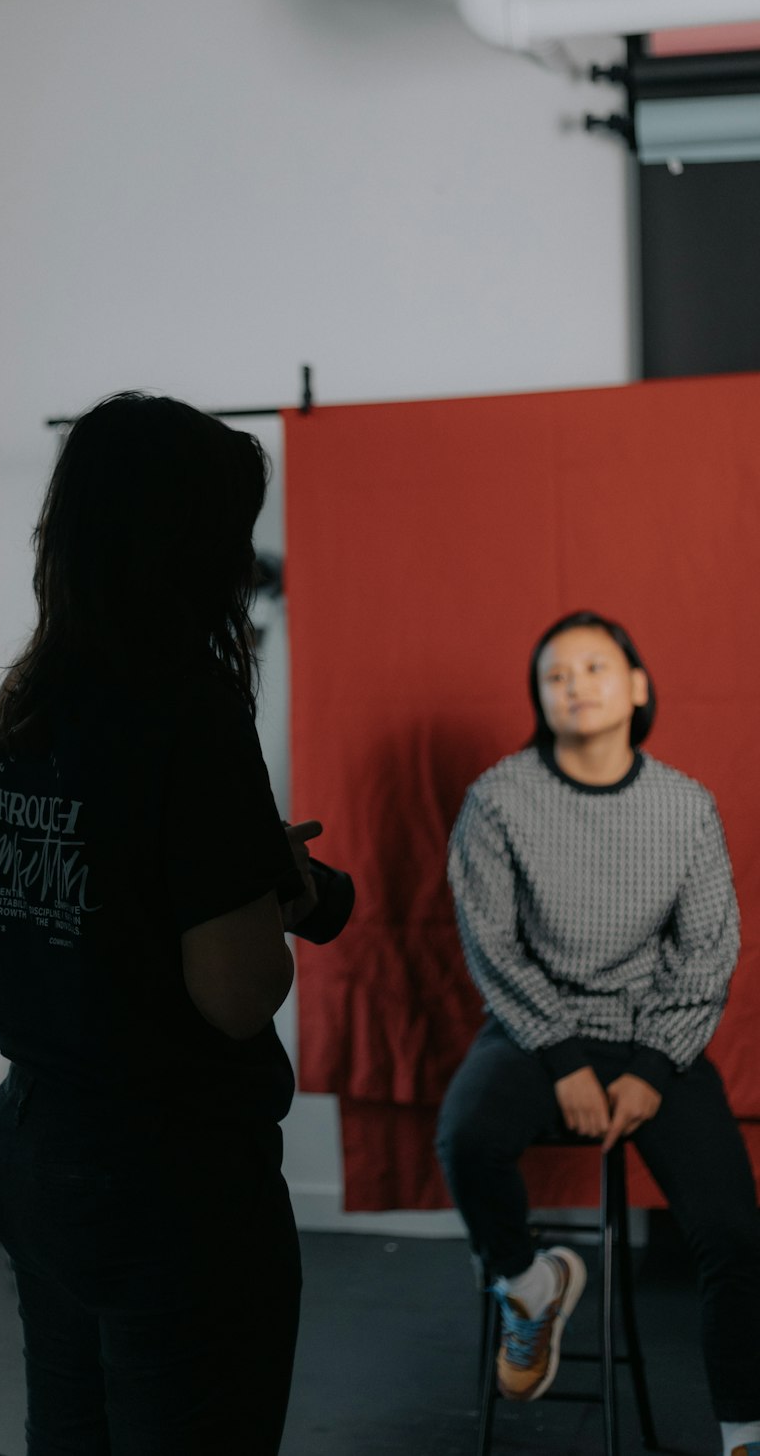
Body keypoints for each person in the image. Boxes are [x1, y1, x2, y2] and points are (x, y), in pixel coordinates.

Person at [0, 392, 321, 1456]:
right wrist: (259, 892)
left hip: (32, 1147)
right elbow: (236, 992)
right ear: (190, 543)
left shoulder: (23, 701)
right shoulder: (190, 709)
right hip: (169, 1182)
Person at [435, 610, 760, 1456]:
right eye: (556, 674)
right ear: (540, 700)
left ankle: (744, 1433)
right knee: (466, 1138)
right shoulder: (499, 799)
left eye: (595, 668)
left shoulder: (684, 806)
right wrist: (565, 1062)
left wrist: (652, 1068)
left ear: (638, 688)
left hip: (657, 1035)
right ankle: (531, 1285)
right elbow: (492, 946)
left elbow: (708, 950)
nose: (576, 684)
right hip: (533, 1030)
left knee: (733, 1237)